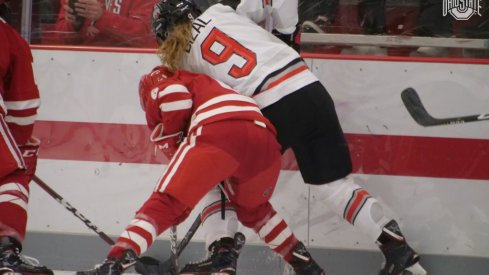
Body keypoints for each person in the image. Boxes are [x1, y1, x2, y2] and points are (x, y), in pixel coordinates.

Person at [151, 0, 427, 274]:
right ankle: (402, 256)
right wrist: (286, 36)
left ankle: (224, 258)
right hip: (308, 87)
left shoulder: (181, 62)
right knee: (334, 186)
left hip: (269, 106)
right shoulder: (222, 12)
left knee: (215, 177)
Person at [76, 66, 325, 275]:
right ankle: (305, 264)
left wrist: (175, 148)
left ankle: (115, 262)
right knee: (255, 211)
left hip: (220, 130)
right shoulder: (208, 82)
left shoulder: (159, 79)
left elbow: (174, 97)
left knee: (165, 202)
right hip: (265, 139)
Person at [0, 2, 54, 274]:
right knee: (10, 175)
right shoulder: (8, 37)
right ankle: (4, 255)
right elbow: (22, 110)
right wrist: (19, 151)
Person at [53, 0, 158, 47]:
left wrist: (102, 18)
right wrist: (76, 25)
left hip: (129, 69)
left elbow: (145, 36)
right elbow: (60, 38)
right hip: (82, 69)